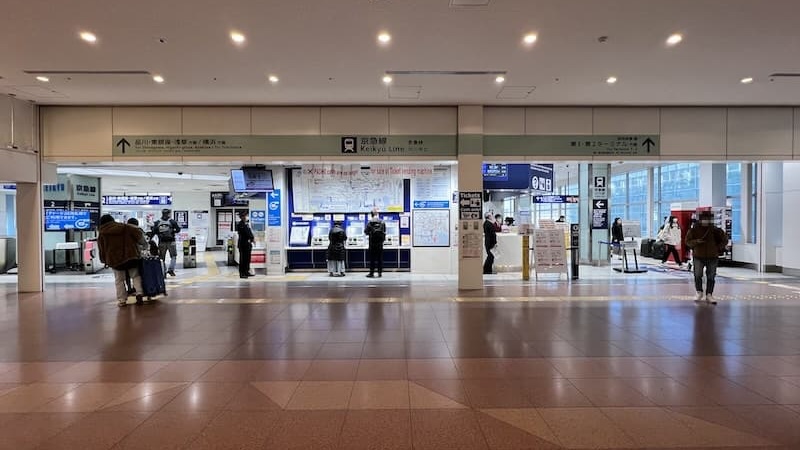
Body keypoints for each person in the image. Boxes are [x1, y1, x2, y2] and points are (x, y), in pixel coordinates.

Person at [97, 214, 144, 307]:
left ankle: (122, 300)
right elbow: (139, 236)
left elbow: (101, 248)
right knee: (135, 276)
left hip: (115, 259)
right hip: (131, 256)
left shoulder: (102, 232)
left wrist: (104, 260)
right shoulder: (125, 227)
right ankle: (139, 293)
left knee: (119, 280)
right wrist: (143, 245)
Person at [685, 211, 728, 305]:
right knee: (697, 275)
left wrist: (717, 248)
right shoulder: (694, 230)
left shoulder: (715, 230)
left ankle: (709, 294)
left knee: (711, 276)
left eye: (707, 219)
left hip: (712, 256)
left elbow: (725, 239)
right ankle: (699, 292)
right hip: (698, 256)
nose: (705, 221)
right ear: (699, 219)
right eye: (703, 219)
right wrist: (696, 242)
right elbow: (687, 241)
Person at [152, 209, 180, 277]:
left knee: (162, 258)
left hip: (161, 242)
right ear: (168, 214)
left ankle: (163, 272)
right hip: (171, 242)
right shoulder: (172, 222)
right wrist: (173, 231)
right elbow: (178, 230)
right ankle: (171, 270)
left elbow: (154, 232)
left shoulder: (157, 222)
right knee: (173, 256)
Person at [124, 218, 149, 294]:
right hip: (135, 255)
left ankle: (129, 288)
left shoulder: (122, 230)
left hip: (123, 256)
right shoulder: (138, 230)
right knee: (136, 274)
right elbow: (144, 243)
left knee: (126, 274)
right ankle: (138, 291)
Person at [365, 209, 386, 278]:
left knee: (372, 259)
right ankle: (380, 273)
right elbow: (384, 231)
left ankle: (371, 273)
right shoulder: (382, 222)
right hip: (380, 243)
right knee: (380, 258)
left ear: (371, 214)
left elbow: (366, 232)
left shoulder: (369, 222)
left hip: (372, 243)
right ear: (377, 214)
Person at [235, 211, 254, 279]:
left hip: (247, 244)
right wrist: (251, 238)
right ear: (242, 217)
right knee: (243, 259)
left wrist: (252, 239)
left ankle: (246, 271)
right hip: (243, 244)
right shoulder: (240, 224)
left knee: (247, 259)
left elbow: (249, 232)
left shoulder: (246, 224)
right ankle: (242, 273)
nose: (246, 217)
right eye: (245, 216)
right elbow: (246, 233)